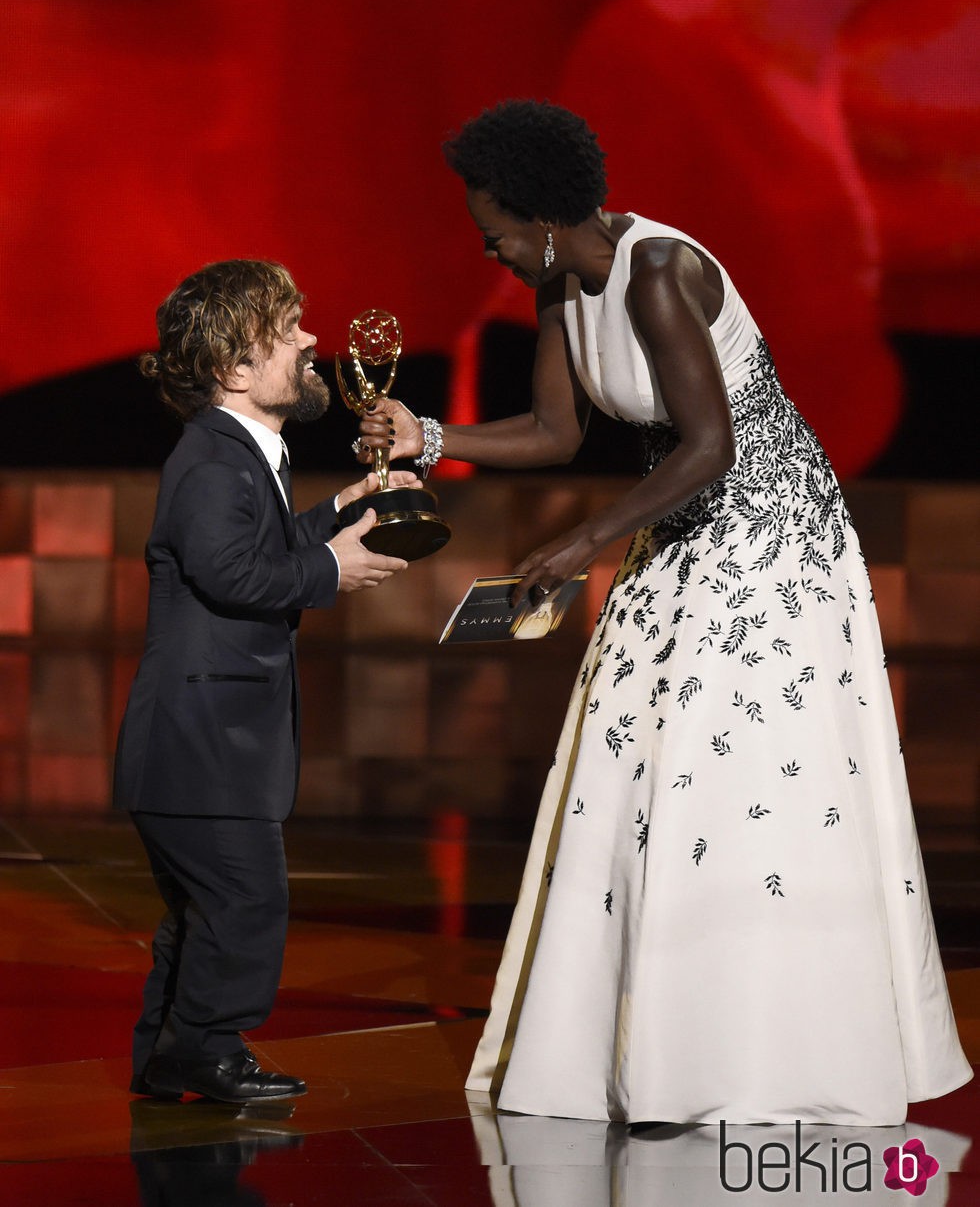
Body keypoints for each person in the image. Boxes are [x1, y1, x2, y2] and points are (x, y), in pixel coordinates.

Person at [357, 101, 972, 1125]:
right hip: (678, 525)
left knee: (731, 773)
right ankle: (650, 1049)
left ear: (543, 216)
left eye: (495, 232)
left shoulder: (657, 272)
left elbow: (709, 445)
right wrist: (427, 432)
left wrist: (582, 541)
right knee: (627, 756)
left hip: (769, 538)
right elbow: (556, 430)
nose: (493, 252)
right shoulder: (560, 284)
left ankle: (765, 1054)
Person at [115, 259, 419, 1104]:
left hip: (206, 746)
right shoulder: (214, 461)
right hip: (200, 744)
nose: (312, 339)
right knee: (245, 899)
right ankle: (206, 1050)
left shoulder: (247, 456)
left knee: (208, 911)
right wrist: (330, 566)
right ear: (235, 369)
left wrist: (344, 510)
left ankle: (171, 1051)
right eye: (288, 331)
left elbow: (257, 551)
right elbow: (229, 574)